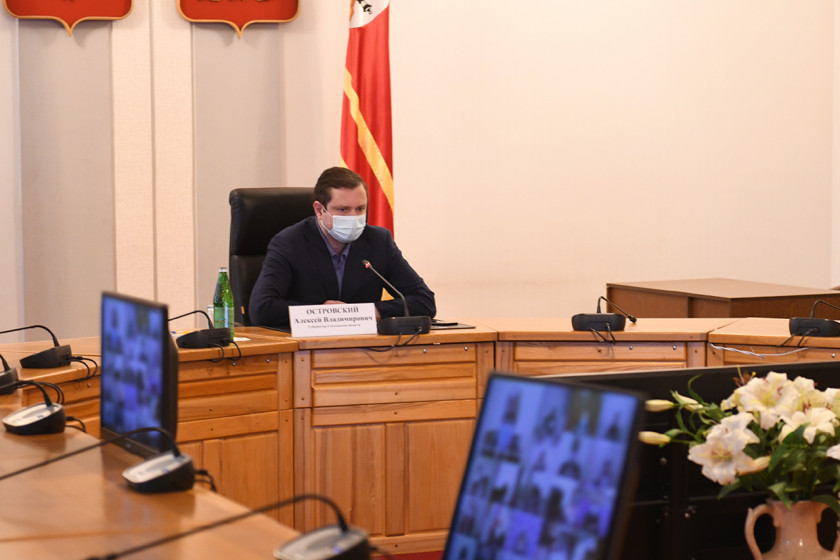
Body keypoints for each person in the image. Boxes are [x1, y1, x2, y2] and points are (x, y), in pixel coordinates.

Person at [249, 166, 436, 330]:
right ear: (319, 210)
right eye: (343, 210)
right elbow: (261, 308)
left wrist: (371, 311)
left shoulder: (378, 241)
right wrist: (322, 313)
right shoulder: (289, 243)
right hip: (306, 347)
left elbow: (425, 301)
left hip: (365, 346)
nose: (353, 217)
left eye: (360, 209)